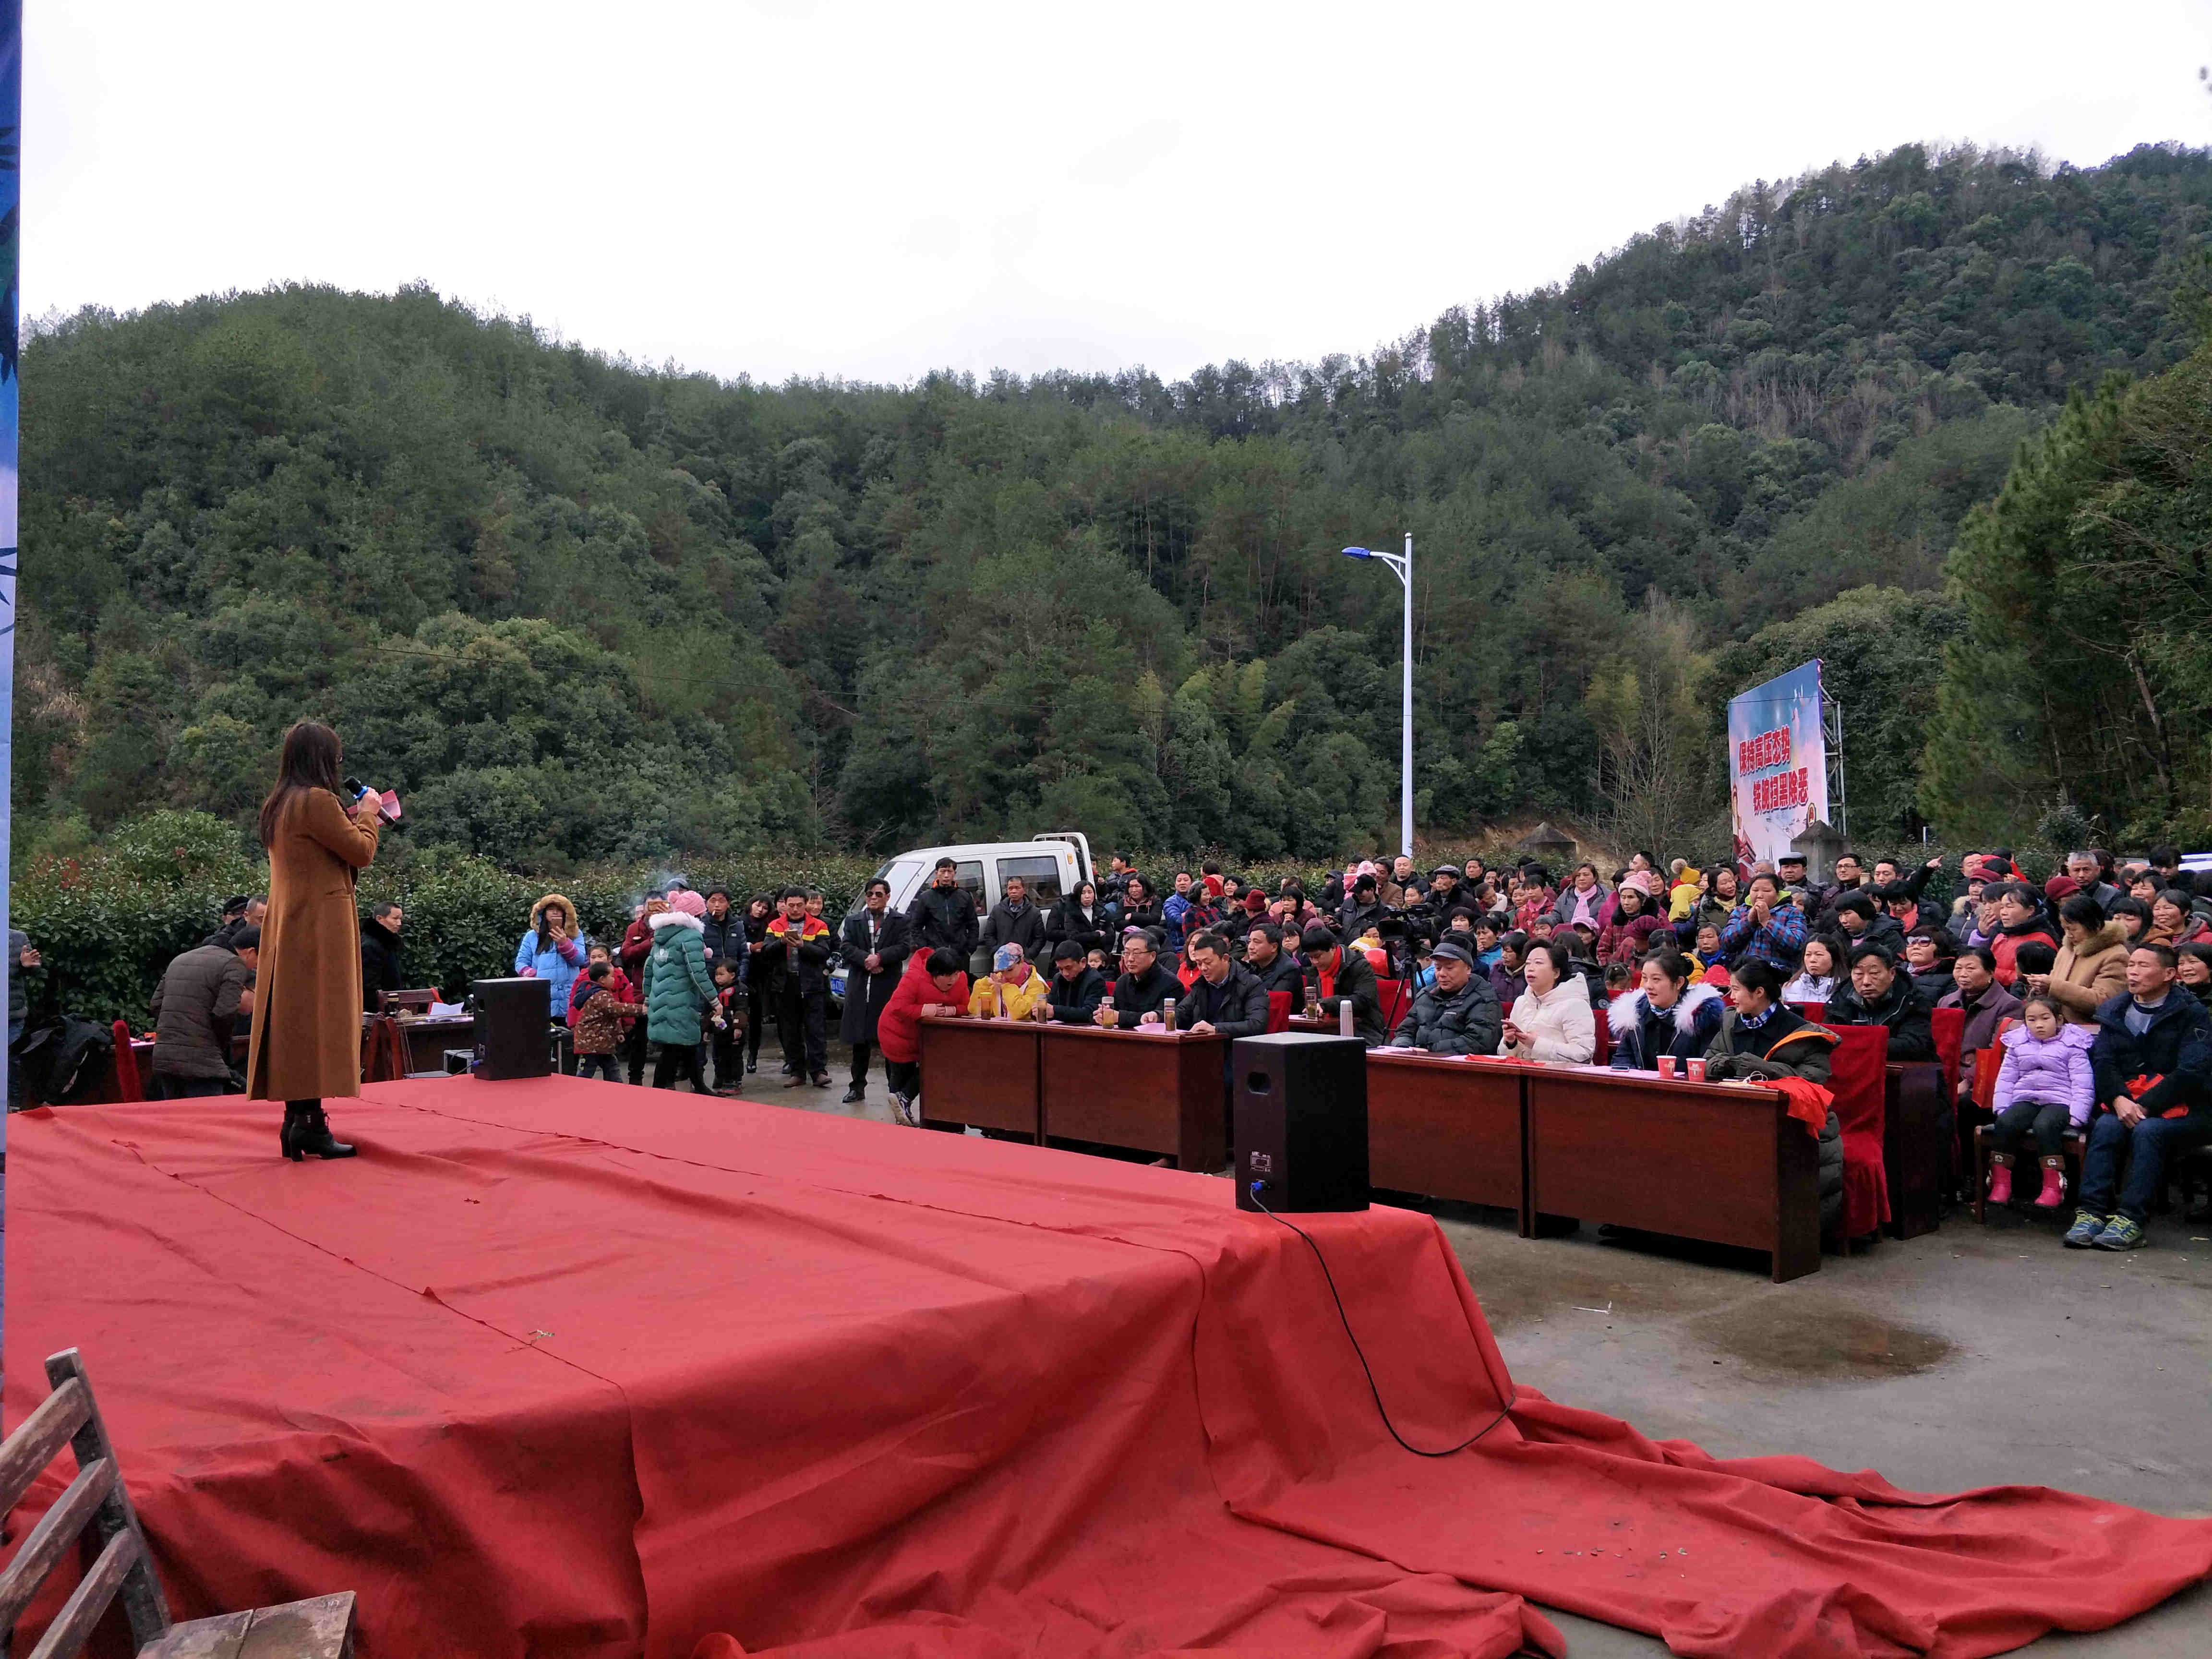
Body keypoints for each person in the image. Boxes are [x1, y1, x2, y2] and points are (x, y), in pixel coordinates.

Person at [246, 721, 381, 1161]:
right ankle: (309, 1125)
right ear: (323, 759)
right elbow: (361, 852)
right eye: (336, 759)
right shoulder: (317, 801)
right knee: (320, 1020)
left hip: (291, 923)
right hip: (320, 926)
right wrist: (368, 813)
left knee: (296, 1023)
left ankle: (298, 1119)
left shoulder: (279, 804)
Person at [2067, 944, 2212, 1251]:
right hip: (2127, 1101)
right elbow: (2104, 1062)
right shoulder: (2115, 1010)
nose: (2133, 972)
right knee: (2107, 1126)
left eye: (2143, 966)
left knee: (2148, 1131)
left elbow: (2191, 1071)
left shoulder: (2192, 1013)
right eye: (2131, 965)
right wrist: (2119, 1100)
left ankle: (2131, 1219)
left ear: (2169, 974)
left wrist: (2145, 1106)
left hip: (2189, 1108)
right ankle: (2091, 1212)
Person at [1702, 958, 1845, 1231]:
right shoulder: (1731, 1022)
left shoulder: (1804, 1034)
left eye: (1736, 989)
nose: (1731, 996)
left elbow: (1811, 1083)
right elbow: (1708, 1061)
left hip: (1794, 1125)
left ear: (1759, 992)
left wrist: (1761, 1069)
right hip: (1735, 1117)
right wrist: (1729, 1064)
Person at [1983, 996, 2095, 1208]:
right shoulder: (2018, 1043)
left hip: (2060, 1100)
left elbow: (2083, 1082)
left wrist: (2078, 1114)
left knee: (2045, 1125)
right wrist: (2003, 1107)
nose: (2039, 1025)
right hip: (2026, 1097)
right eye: (2032, 1020)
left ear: (2059, 1020)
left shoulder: (2073, 1044)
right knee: (2006, 1123)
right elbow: (2007, 1078)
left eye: (2045, 1018)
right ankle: (2001, 1183)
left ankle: (2054, 1185)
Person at [150, 925, 259, 1098]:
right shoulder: (234, 964)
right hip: (202, 1060)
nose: (255, 968)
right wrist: (218, 1044)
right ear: (251, 952)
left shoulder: (181, 959)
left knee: (175, 1114)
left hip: (165, 1057)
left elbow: (156, 1004)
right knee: (208, 1113)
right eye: (258, 963)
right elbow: (225, 1012)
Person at [876, 948, 972, 1127]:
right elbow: (898, 1007)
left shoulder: (962, 979)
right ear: (934, 974)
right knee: (902, 1075)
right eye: (947, 976)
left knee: (934, 1066)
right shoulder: (914, 979)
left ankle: (903, 1103)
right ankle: (901, 1117)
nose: (953, 980)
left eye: (956, 974)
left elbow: (967, 1006)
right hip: (897, 1033)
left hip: (927, 1037)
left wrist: (950, 1010)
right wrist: (925, 1010)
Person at [839, 877, 913, 1103]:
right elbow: (846, 947)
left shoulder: (901, 921)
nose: (873, 898)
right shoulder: (854, 921)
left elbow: (904, 948)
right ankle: (857, 1087)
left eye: (878, 894)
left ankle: (895, 1090)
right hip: (861, 985)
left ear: (887, 897)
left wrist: (880, 957)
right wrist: (867, 960)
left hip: (887, 986)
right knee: (860, 1040)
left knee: (889, 1039)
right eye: (870, 894)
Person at [643, 888, 716, 1090]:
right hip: (680, 1001)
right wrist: (714, 1000)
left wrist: (648, 998)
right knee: (674, 1050)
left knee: (687, 1045)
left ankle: (700, 1087)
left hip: (661, 1001)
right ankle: (659, 1090)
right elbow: (698, 973)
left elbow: (649, 968)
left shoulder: (662, 935)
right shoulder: (691, 936)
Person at [762, 887, 835, 1088]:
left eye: (799, 905)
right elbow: (766, 952)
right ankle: (797, 1072)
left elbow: (824, 953)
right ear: (785, 905)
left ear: (805, 905)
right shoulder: (775, 926)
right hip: (785, 985)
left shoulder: (819, 925)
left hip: (812, 985)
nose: (795, 909)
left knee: (816, 1030)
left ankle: (819, 1072)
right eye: (791, 905)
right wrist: (782, 943)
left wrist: (803, 946)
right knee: (790, 1031)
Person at [1608, 950, 1724, 1072]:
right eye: (1645, 978)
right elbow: (1622, 1059)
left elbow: (1707, 1065)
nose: (1648, 986)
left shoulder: (1701, 1016)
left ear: (1679, 983)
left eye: (1656, 979)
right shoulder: (1634, 1014)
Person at [2023, 895, 2129, 1027]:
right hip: (2057, 1027)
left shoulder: (2115, 955)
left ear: (2095, 926)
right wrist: (2041, 988)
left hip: (2089, 1030)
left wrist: (2053, 987)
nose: (2069, 935)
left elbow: (2103, 1002)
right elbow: (2053, 985)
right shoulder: (2067, 950)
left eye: (2073, 929)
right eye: (2065, 929)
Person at [1383, 936, 1500, 1056]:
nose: (1442, 974)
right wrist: (1404, 1048)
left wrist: (1429, 1052)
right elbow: (1404, 1031)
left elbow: (1478, 1042)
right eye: (1438, 968)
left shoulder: (1483, 999)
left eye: (1449, 968)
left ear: (1468, 969)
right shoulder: (1426, 994)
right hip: (1417, 1061)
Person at [1826, 943, 1936, 1060]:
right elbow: (1827, 1039)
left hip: (1903, 1068)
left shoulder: (1912, 1001)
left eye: (1874, 973)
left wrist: (1859, 1044)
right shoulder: (1840, 999)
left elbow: (1913, 1045)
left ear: (1892, 973)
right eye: (1859, 974)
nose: (1866, 982)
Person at [1939, 947, 2022, 1103]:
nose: (1963, 974)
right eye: (1958, 968)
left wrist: (1967, 1081)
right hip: (1947, 1073)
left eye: (1971, 969)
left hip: (1982, 1080)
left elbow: (1997, 1052)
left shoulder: (2009, 1006)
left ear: (1990, 973)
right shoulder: (1946, 1001)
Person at [1499, 938, 1593, 1062]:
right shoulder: (1521, 1002)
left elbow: (1584, 1054)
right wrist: (1510, 1043)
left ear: (1556, 972)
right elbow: (1502, 1054)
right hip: (1521, 1071)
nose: (1530, 968)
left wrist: (1537, 1044)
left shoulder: (1575, 1005)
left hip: (1557, 1073)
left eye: (1538, 963)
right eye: (1528, 964)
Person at [1300, 924, 1386, 1046]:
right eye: (1310, 958)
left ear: (1333, 948)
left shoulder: (1359, 966)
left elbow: (1363, 1000)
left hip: (1363, 1030)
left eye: (1318, 956)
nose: (1315, 962)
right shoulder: (1314, 971)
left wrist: (1326, 1005)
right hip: (1323, 1031)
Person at [1172, 931, 1270, 1039]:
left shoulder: (1250, 983)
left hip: (1234, 1046)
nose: (1203, 968)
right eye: (1199, 964)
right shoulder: (1201, 984)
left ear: (1225, 959)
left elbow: (1257, 1025)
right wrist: (1161, 1016)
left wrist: (1216, 1029)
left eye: (1208, 962)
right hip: (1203, 1045)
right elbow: (1182, 1012)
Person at [1715, 873, 1807, 974]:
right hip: (1744, 975)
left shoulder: (1792, 912)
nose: (1759, 896)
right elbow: (1725, 943)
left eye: (1766, 891)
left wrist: (1768, 922)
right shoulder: (1740, 911)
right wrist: (1748, 922)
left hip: (1778, 975)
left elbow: (1797, 944)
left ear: (1778, 894)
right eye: (1755, 890)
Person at [619, 898, 667, 1085]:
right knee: (639, 1037)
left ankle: (664, 1080)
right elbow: (626, 954)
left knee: (667, 1037)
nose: (655, 909)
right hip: (641, 990)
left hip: (666, 988)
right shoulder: (635, 928)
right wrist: (650, 943)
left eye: (660, 904)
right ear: (644, 907)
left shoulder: (670, 925)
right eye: (651, 905)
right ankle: (635, 1078)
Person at [515, 895, 587, 1021]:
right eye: (551, 909)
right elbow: (521, 963)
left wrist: (565, 943)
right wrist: (536, 977)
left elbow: (580, 960)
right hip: (542, 995)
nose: (555, 912)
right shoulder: (532, 936)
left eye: (559, 910)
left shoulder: (575, 934)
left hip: (569, 997)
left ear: (565, 914)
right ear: (544, 913)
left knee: (568, 1032)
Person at [572, 962, 644, 1084]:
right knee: (587, 1071)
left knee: (611, 1068)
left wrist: (618, 1032)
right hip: (592, 1045)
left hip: (601, 1045)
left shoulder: (599, 993)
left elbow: (609, 1018)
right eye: (611, 976)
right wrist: (641, 1009)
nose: (614, 979)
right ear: (602, 979)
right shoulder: (601, 995)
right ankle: (578, 1089)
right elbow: (616, 1009)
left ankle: (616, 1088)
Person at [1096, 930, 1180, 1028]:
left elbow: (1158, 1020)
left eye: (1136, 953)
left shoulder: (1171, 984)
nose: (1130, 959)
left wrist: (1120, 1017)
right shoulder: (1122, 981)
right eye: (1127, 953)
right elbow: (1113, 1014)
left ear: (1153, 956)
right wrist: (1103, 1015)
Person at [907, 858, 979, 964]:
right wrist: (926, 950)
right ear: (937, 873)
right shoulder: (926, 897)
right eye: (943, 871)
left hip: (960, 954)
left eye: (949, 872)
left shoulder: (964, 897)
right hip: (935, 955)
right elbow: (916, 926)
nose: (946, 876)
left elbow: (973, 924)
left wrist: (970, 948)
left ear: (955, 874)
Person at [1597, 874, 1666, 965]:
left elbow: (1664, 951)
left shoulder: (1655, 921)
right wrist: (1613, 966)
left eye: (1631, 897)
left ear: (1643, 900)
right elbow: (1602, 950)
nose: (1626, 903)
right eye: (1623, 897)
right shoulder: (1617, 921)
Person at [971, 943, 1050, 1020]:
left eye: (1010, 970)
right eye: (1002, 971)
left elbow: (1020, 1013)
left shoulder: (1036, 983)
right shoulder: (998, 978)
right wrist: (983, 985)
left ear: (1021, 961)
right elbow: (975, 1011)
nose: (1006, 976)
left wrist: (1007, 987)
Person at [981, 876, 1050, 963]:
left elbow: (1040, 938)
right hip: (1002, 961)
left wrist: (1028, 955)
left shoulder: (1034, 913)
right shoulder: (997, 910)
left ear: (1024, 890)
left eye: (1017, 888)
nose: (1014, 891)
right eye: (1011, 888)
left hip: (1024, 961)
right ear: (1007, 890)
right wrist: (997, 952)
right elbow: (989, 935)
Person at [1242, 921, 1306, 1014]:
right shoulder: (1250, 967)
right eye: (1249, 942)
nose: (1251, 947)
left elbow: (1272, 1002)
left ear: (1274, 947)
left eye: (1256, 942)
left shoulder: (1289, 970)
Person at [9, 927, 41, 1107]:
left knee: (11, 1060)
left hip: (12, 1015)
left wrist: (26, 966)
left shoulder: (19, 938)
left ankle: (14, 1106)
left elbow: (35, 968)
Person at [1045, 939, 1108, 1024]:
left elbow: (1090, 1014)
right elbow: (1050, 1004)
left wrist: (1055, 1011)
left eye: (1069, 968)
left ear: (1083, 962)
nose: (1065, 974)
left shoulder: (1095, 980)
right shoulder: (1058, 978)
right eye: (1060, 969)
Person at [705, 960, 745, 1092]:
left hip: (733, 1030)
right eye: (717, 975)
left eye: (722, 974)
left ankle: (734, 1082)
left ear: (732, 975)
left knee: (733, 1057)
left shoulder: (740, 990)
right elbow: (712, 1012)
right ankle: (721, 1078)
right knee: (718, 1056)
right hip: (720, 1030)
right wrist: (707, 1029)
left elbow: (742, 1010)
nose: (718, 978)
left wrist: (738, 1027)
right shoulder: (716, 991)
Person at [358, 901, 406, 1013]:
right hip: (379, 1013)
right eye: (395, 919)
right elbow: (369, 986)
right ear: (380, 919)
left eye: (400, 919)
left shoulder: (386, 943)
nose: (399, 923)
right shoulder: (371, 945)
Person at [1781, 933, 1845, 1007]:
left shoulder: (1846, 988)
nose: (1812, 960)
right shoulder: (1790, 987)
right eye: (1808, 955)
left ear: (1834, 958)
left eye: (1819, 955)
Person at [1047, 881, 1107, 958]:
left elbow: (1109, 933)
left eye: (1090, 892)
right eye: (1083, 893)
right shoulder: (1063, 908)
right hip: (1070, 955)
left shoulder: (1099, 909)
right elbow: (1051, 933)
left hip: (1095, 956)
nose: (1087, 896)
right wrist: (1088, 936)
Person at [1901, 926, 1958, 1007]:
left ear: (1939, 948)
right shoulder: (1895, 972)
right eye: (1912, 942)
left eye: (1924, 942)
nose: (1915, 947)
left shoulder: (1951, 980)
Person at [1551, 862, 1608, 934]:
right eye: (1578, 876)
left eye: (1586, 875)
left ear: (1595, 878)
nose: (1582, 879)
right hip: (1569, 937)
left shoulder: (1606, 898)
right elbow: (1556, 916)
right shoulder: (1565, 897)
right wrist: (1546, 922)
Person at [699, 887, 746, 970]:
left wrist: (741, 975)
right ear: (706, 903)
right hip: (709, 975)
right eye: (713, 901)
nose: (717, 905)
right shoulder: (700, 925)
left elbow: (744, 955)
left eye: (722, 901)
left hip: (732, 975)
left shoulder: (737, 926)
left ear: (728, 904)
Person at [2177, 942, 2212, 1007]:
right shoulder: (2171, 993)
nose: (2186, 968)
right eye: (2181, 964)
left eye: (2193, 962)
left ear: (2210, 966)